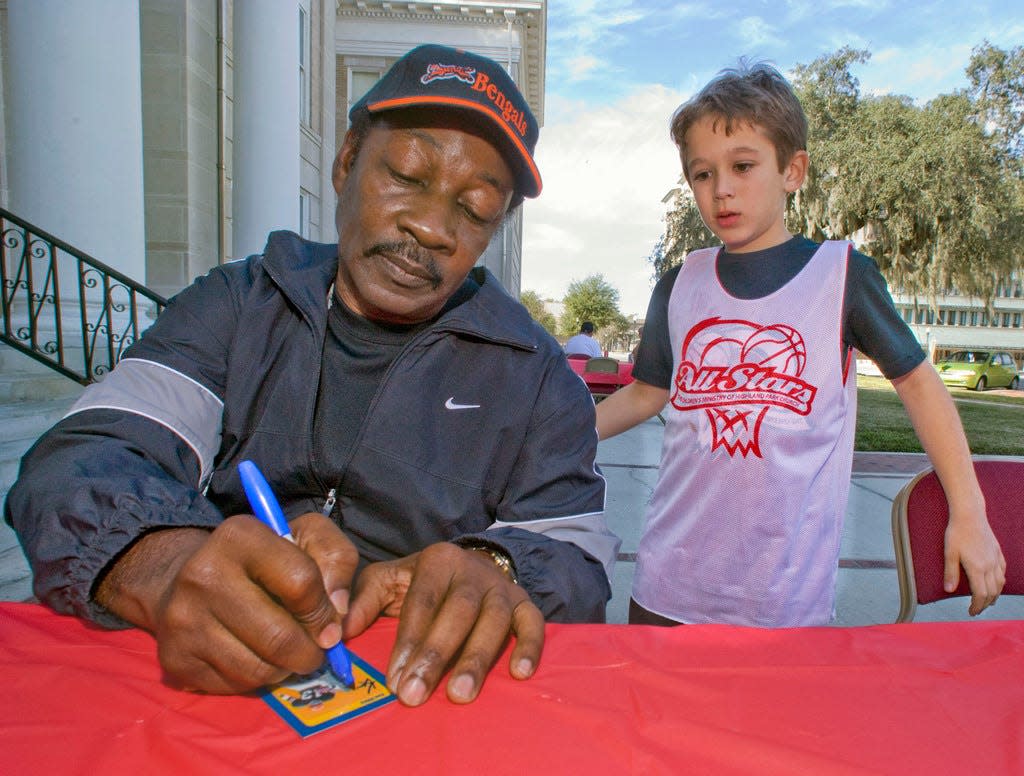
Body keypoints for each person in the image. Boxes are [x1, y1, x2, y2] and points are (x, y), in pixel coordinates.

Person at [4, 44, 619, 706]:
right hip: (209, 684)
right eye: (408, 176)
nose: (432, 225)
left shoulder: (537, 375)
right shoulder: (237, 304)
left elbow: (578, 557)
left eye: (473, 209)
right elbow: (86, 456)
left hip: (420, 699)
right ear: (347, 160)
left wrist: (493, 566)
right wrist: (172, 563)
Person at [596, 61, 1005, 628]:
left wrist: (970, 511)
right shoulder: (679, 283)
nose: (722, 189)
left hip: (781, 598)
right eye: (702, 174)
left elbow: (918, 384)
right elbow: (645, 394)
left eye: (743, 165)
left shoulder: (842, 276)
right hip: (669, 586)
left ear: (793, 170)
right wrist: (556, 429)